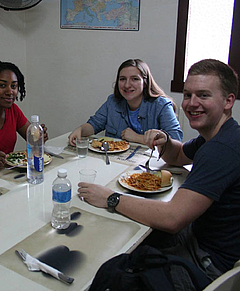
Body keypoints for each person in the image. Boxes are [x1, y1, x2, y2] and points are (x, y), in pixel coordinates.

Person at [78, 59, 240, 284]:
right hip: (199, 238)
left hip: (209, 263)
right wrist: (165, 141)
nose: (192, 103)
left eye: (203, 95)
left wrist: (110, 198)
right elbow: (178, 155)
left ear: (228, 101)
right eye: (187, 95)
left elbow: (172, 217)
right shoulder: (215, 137)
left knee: (110, 271)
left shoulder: (221, 150)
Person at [69, 59, 183, 145]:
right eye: (122, 79)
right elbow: (94, 125)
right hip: (114, 163)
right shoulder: (112, 101)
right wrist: (80, 129)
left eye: (135, 79)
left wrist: (139, 138)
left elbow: (175, 140)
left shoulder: (161, 105)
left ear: (145, 82)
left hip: (148, 167)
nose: (127, 85)